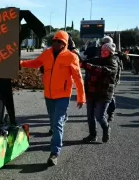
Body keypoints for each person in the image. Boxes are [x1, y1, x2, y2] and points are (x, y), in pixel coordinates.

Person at [20, 30, 86, 166]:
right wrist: (21, 63)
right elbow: (36, 63)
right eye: (55, 41)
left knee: (57, 124)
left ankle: (54, 152)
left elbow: (78, 79)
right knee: (53, 120)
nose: (56, 44)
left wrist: (81, 97)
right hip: (48, 95)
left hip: (62, 95)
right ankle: (60, 120)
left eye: (60, 42)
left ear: (65, 43)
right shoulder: (47, 53)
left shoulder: (71, 57)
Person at [81, 42, 118, 143]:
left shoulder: (113, 63)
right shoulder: (97, 59)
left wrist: (89, 66)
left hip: (104, 93)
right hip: (91, 91)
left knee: (99, 116)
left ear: (111, 53)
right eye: (102, 50)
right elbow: (83, 63)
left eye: (106, 51)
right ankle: (92, 135)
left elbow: (103, 70)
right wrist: (77, 59)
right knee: (90, 116)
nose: (103, 52)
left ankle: (106, 128)